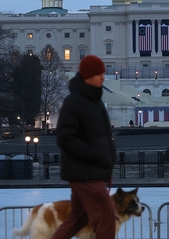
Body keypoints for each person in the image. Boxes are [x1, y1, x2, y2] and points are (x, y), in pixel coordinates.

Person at [51, 55, 117, 239]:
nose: (103, 77)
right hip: (84, 172)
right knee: (106, 216)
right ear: (87, 76)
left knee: (77, 219)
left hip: (91, 170)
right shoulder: (74, 102)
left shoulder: (95, 102)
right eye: (98, 74)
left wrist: (109, 157)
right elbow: (65, 138)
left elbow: (104, 136)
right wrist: (95, 155)